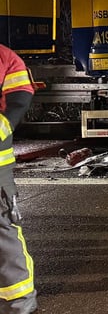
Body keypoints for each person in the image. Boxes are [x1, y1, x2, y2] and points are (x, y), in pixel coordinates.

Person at [0, 44, 37, 313]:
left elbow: (21, 94)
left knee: (2, 230)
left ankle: (18, 300)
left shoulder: (3, 56)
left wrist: (4, 125)